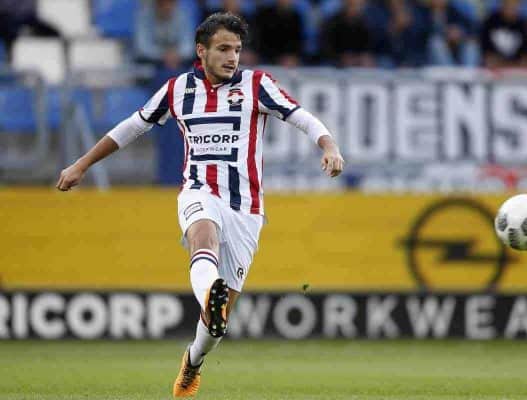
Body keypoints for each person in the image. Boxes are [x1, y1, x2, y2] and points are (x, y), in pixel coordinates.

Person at [56, 12, 344, 398]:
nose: (232, 57)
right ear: (201, 51)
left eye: (237, 50)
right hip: (198, 192)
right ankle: (211, 291)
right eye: (223, 49)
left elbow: (303, 118)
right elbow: (132, 126)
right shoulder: (176, 90)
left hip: (246, 210)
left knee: (215, 327)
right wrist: (81, 164)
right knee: (201, 236)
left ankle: (193, 361)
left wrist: (330, 147)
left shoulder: (257, 84)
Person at [480, 0, 527, 68]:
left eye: (513, 4)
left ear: (519, 6)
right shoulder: (491, 22)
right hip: (494, 70)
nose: (510, 7)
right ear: (502, 4)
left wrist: (513, 66)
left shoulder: (524, 26)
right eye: (508, 4)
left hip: (517, 71)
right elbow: (487, 56)